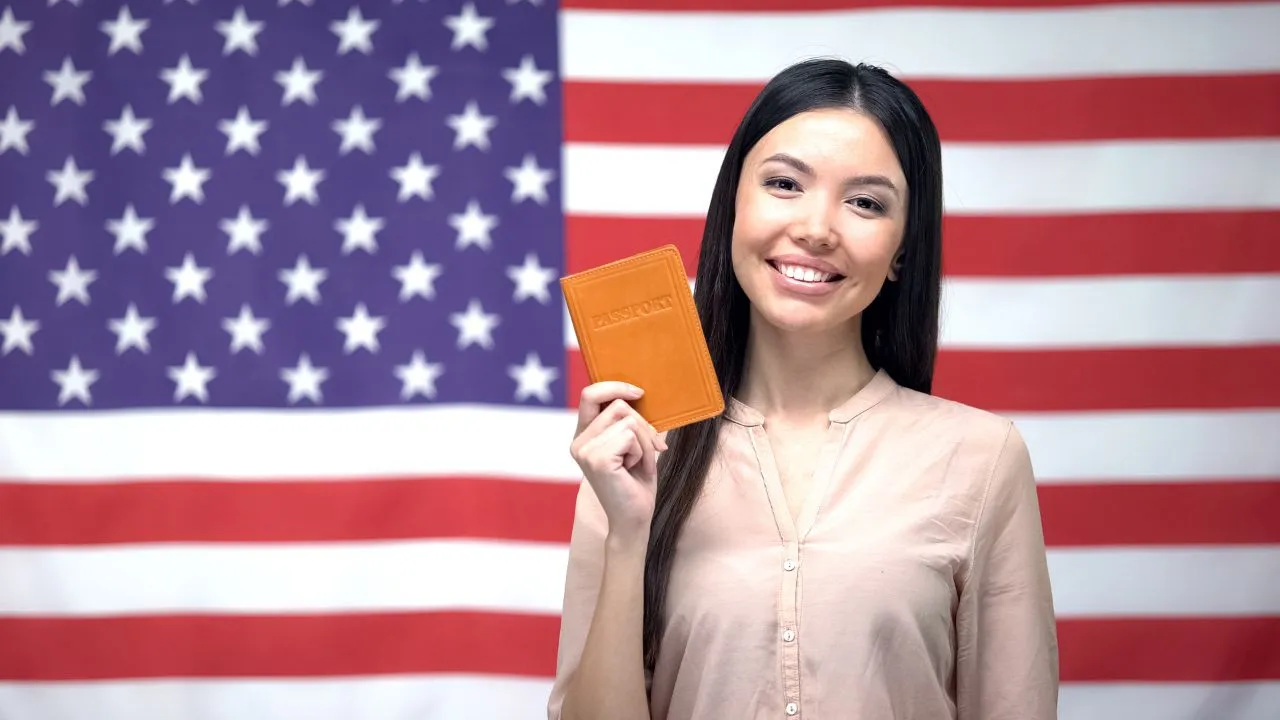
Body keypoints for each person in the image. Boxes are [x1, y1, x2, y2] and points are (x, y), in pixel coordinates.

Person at [547, 57, 1059, 720]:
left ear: (903, 247)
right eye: (785, 184)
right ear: (735, 202)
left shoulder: (982, 458)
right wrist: (627, 530)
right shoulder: (635, 451)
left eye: (866, 202)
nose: (818, 228)